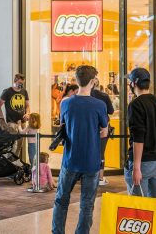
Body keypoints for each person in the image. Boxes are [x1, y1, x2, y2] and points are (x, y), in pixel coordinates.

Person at [52, 65, 108, 233]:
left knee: (61, 200)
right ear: (92, 82)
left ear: (76, 80)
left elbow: (63, 126)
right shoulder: (99, 105)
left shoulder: (65, 103)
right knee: (87, 204)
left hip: (70, 160)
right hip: (91, 161)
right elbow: (104, 132)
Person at [124, 68, 156, 198]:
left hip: (142, 162)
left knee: (138, 209)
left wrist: (136, 167)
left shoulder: (135, 105)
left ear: (133, 84)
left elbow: (138, 138)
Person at [91, 78, 115, 186]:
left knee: (89, 151)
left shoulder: (85, 95)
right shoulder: (104, 96)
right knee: (101, 153)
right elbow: (111, 111)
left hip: (90, 127)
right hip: (102, 127)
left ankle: (89, 176)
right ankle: (100, 177)